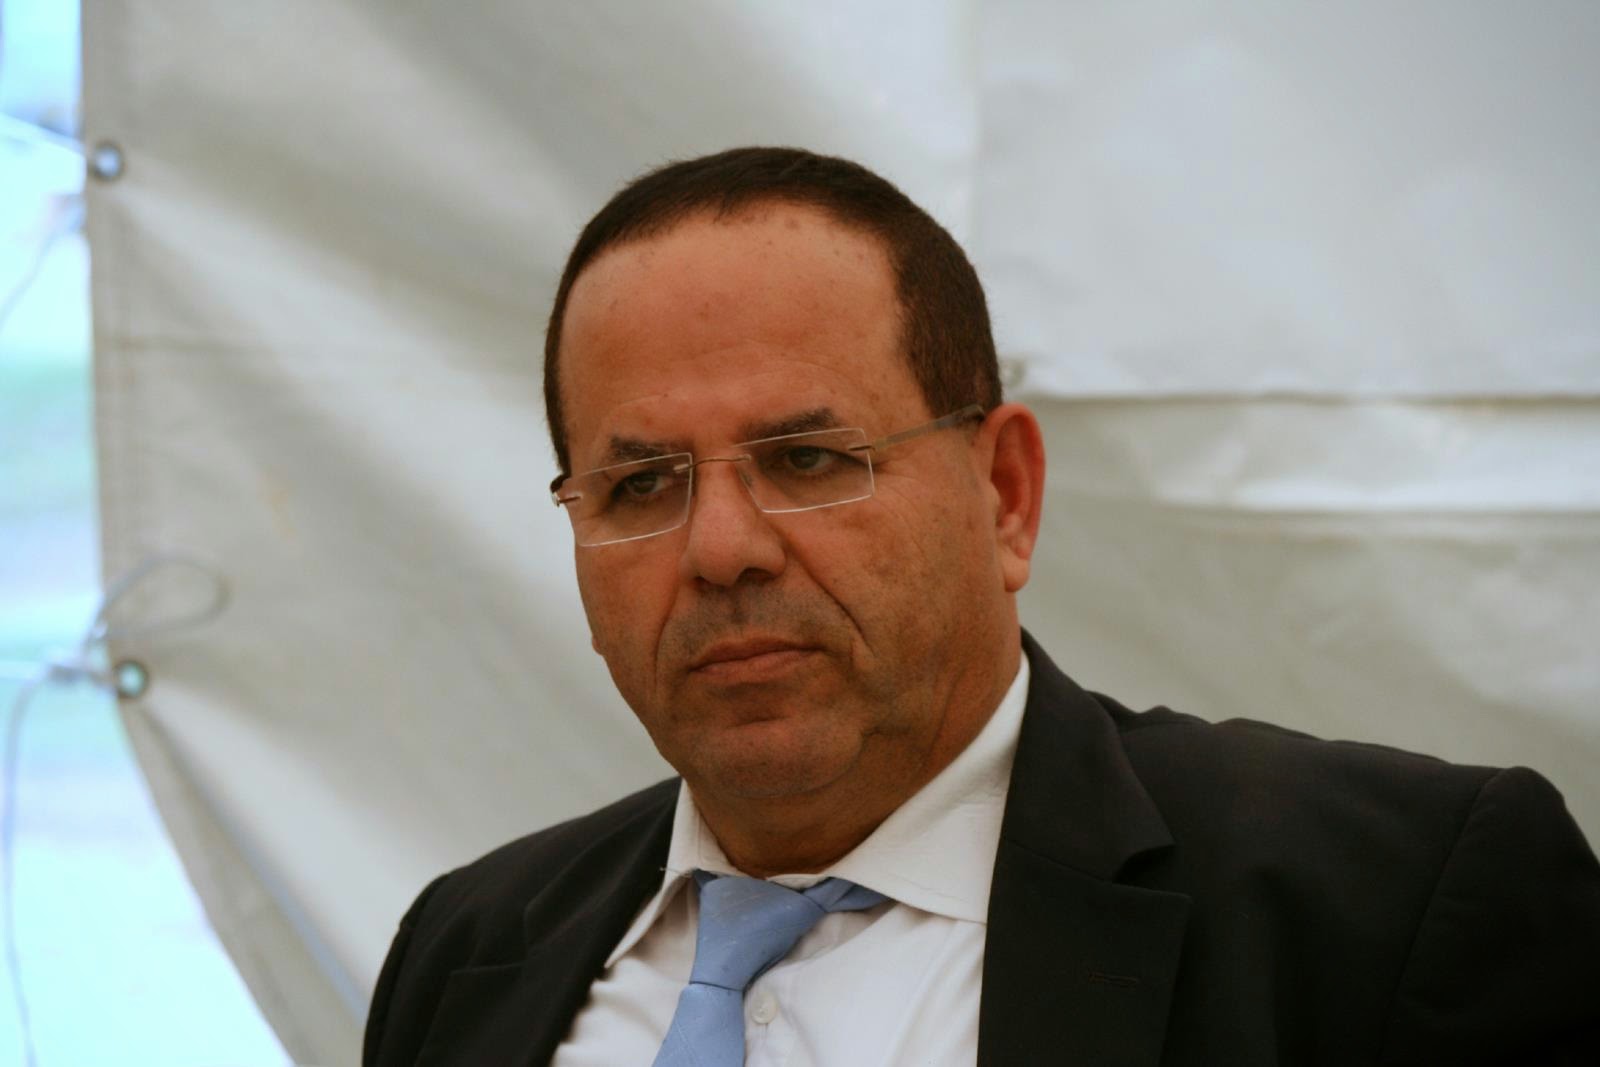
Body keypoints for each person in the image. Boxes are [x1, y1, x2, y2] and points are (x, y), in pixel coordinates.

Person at [363, 147, 1600, 1066]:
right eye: (641, 484)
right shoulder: (470, 947)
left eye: (808, 458)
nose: (721, 549)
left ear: (1004, 494)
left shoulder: (1384, 908)